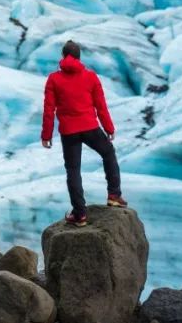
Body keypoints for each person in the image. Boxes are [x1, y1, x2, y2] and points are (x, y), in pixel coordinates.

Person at [41, 39, 127, 226]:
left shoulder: (54, 79)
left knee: (73, 170)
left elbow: (49, 110)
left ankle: (80, 215)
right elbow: (101, 106)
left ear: (63, 57)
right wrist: (109, 128)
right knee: (108, 153)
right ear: (79, 58)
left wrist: (46, 136)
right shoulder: (91, 77)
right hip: (90, 128)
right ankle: (114, 195)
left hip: (69, 132)